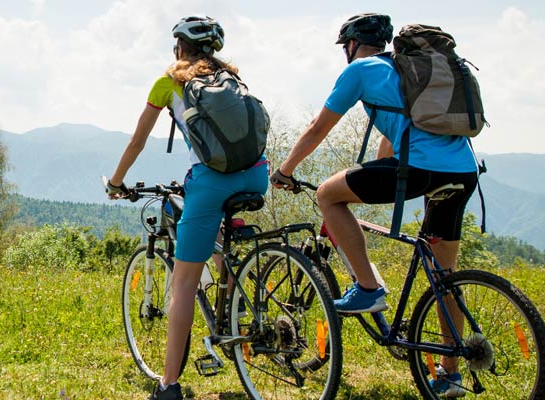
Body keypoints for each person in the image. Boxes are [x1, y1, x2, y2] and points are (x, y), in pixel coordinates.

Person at [269, 13, 477, 398]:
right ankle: (450, 371)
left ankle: (368, 288)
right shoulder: (406, 70)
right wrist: (378, 168)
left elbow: (318, 127)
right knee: (445, 273)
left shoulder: (361, 70)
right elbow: (394, 136)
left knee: (328, 194)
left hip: (420, 169)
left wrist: (285, 170)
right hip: (464, 171)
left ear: (350, 44)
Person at [105, 15, 271, 400]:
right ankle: (233, 296)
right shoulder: (233, 78)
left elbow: (136, 141)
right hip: (256, 176)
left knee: (182, 285)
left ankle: (168, 385)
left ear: (179, 46)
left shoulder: (168, 83)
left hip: (212, 181)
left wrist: (116, 183)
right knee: (214, 222)